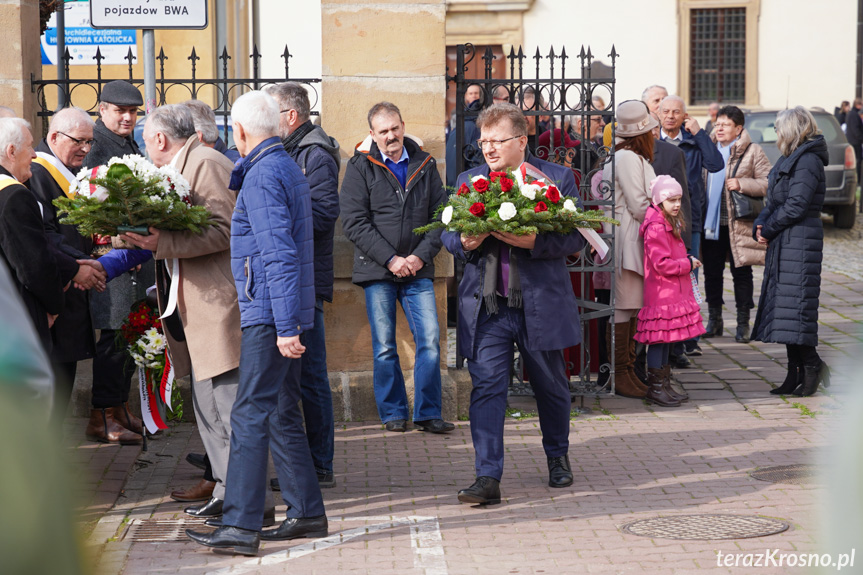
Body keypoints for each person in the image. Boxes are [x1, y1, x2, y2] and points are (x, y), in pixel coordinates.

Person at [186, 91, 327, 556]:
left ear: (241, 132)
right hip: (278, 309)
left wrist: (286, 326)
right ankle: (306, 511)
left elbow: (280, 255)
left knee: (248, 414)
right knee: (282, 409)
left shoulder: (264, 171)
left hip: (270, 313)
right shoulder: (280, 163)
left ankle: (241, 526)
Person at [119, 104, 275, 524]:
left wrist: (160, 243)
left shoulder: (205, 162)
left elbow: (225, 231)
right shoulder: (188, 162)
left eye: (145, 138)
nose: (144, 146)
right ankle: (228, 494)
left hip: (218, 306)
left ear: (159, 139)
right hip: (195, 308)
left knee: (229, 410)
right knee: (209, 411)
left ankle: (251, 505)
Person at [441, 103, 586, 504]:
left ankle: (558, 456)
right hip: (488, 306)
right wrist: (463, 242)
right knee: (486, 388)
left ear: (521, 141)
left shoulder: (555, 178)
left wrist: (536, 242)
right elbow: (448, 233)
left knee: (551, 387)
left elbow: (576, 237)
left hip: (539, 302)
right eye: (483, 141)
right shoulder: (470, 181)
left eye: (497, 141)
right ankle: (487, 476)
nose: (488, 149)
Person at [340, 102, 452, 435]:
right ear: (372, 134)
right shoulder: (360, 167)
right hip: (378, 270)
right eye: (383, 131)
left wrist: (418, 257)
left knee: (430, 340)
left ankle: (428, 413)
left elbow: (441, 216)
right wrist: (391, 259)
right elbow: (354, 222)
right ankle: (393, 413)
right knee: (385, 345)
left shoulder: (425, 164)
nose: (391, 136)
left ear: (403, 125)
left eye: (395, 128)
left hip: (418, 268)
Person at [264, 82, 340, 489]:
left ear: (290, 116)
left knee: (310, 376)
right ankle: (309, 461)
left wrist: (278, 213)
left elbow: (326, 213)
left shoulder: (315, 153)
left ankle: (319, 463)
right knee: (297, 377)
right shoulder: (295, 148)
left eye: (270, 112)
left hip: (307, 279)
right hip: (298, 276)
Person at [28, 108, 119, 428]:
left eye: (90, 142)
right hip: (57, 289)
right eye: (79, 141)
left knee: (62, 380)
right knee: (53, 385)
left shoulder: (65, 171)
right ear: (54, 137)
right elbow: (45, 234)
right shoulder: (38, 173)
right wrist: (78, 266)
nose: (86, 149)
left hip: (70, 291)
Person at [82, 80, 154, 442]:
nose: (127, 117)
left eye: (133, 111)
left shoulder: (125, 142)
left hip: (132, 258)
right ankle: (101, 416)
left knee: (129, 336)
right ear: (103, 110)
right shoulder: (97, 145)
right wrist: (119, 242)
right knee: (112, 339)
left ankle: (119, 409)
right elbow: (90, 206)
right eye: (120, 110)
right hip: (111, 259)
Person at [753, 106, 830, 397]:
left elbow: (797, 205)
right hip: (786, 240)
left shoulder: (808, 160)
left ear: (792, 130)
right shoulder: (790, 157)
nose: (775, 132)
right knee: (786, 311)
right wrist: (760, 225)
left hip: (800, 241)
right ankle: (794, 372)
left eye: (777, 127)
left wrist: (769, 229)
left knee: (796, 309)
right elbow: (774, 199)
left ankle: (811, 367)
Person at [658, 95, 723, 366]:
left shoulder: (693, 142)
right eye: (666, 111)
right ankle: (665, 342)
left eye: (677, 112)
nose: (671, 116)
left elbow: (716, 164)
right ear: (658, 113)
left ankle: (684, 344)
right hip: (659, 220)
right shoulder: (652, 142)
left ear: (685, 115)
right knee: (664, 281)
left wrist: (701, 135)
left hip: (690, 219)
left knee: (689, 280)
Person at [634, 175, 706, 407]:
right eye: (671, 200)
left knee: (667, 340)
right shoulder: (656, 227)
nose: (676, 204)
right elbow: (661, 264)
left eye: (678, 199)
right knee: (658, 340)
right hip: (661, 294)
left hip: (671, 293)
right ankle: (656, 387)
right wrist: (687, 264)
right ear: (659, 201)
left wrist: (685, 258)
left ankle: (663, 384)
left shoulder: (668, 222)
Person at [701, 106, 770, 343]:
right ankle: (714, 320)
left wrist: (741, 184)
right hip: (711, 224)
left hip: (739, 224)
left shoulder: (753, 151)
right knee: (711, 273)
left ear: (738, 128)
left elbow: (767, 182)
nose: (719, 128)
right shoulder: (707, 149)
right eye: (717, 124)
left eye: (726, 124)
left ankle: (743, 324)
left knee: (741, 273)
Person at [603, 100, 657, 401]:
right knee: (624, 306)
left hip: (631, 237)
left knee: (631, 306)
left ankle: (628, 371)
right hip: (627, 238)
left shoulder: (629, 156)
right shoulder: (627, 158)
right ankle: (619, 374)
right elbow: (639, 204)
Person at [446, 84, 484, 187]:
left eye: (476, 93)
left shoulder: (468, 122)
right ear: (466, 96)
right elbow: (453, 164)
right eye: (471, 93)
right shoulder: (466, 123)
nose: (474, 96)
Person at [844, 98, 862, 184]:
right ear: (857, 105)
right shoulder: (854, 115)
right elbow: (856, 130)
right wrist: (861, 138)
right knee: (858, 162)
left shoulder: (850, 114)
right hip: (856, 142)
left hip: (851, 141)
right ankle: (858, 181)